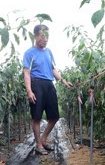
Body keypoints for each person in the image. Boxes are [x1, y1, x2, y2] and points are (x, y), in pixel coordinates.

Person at [23, 24, 73, 155]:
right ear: (35, 36)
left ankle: (44, 139)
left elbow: (52, 69)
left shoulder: (48, 52)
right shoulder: (29, 53)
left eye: (46, 36)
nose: (45, 39)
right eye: (42, 36)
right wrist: (29, 90)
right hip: (36, 84)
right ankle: (38, 144)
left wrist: (63, 80)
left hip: (49, 84)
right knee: (37, 117)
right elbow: (27, 72)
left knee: (54, 116)